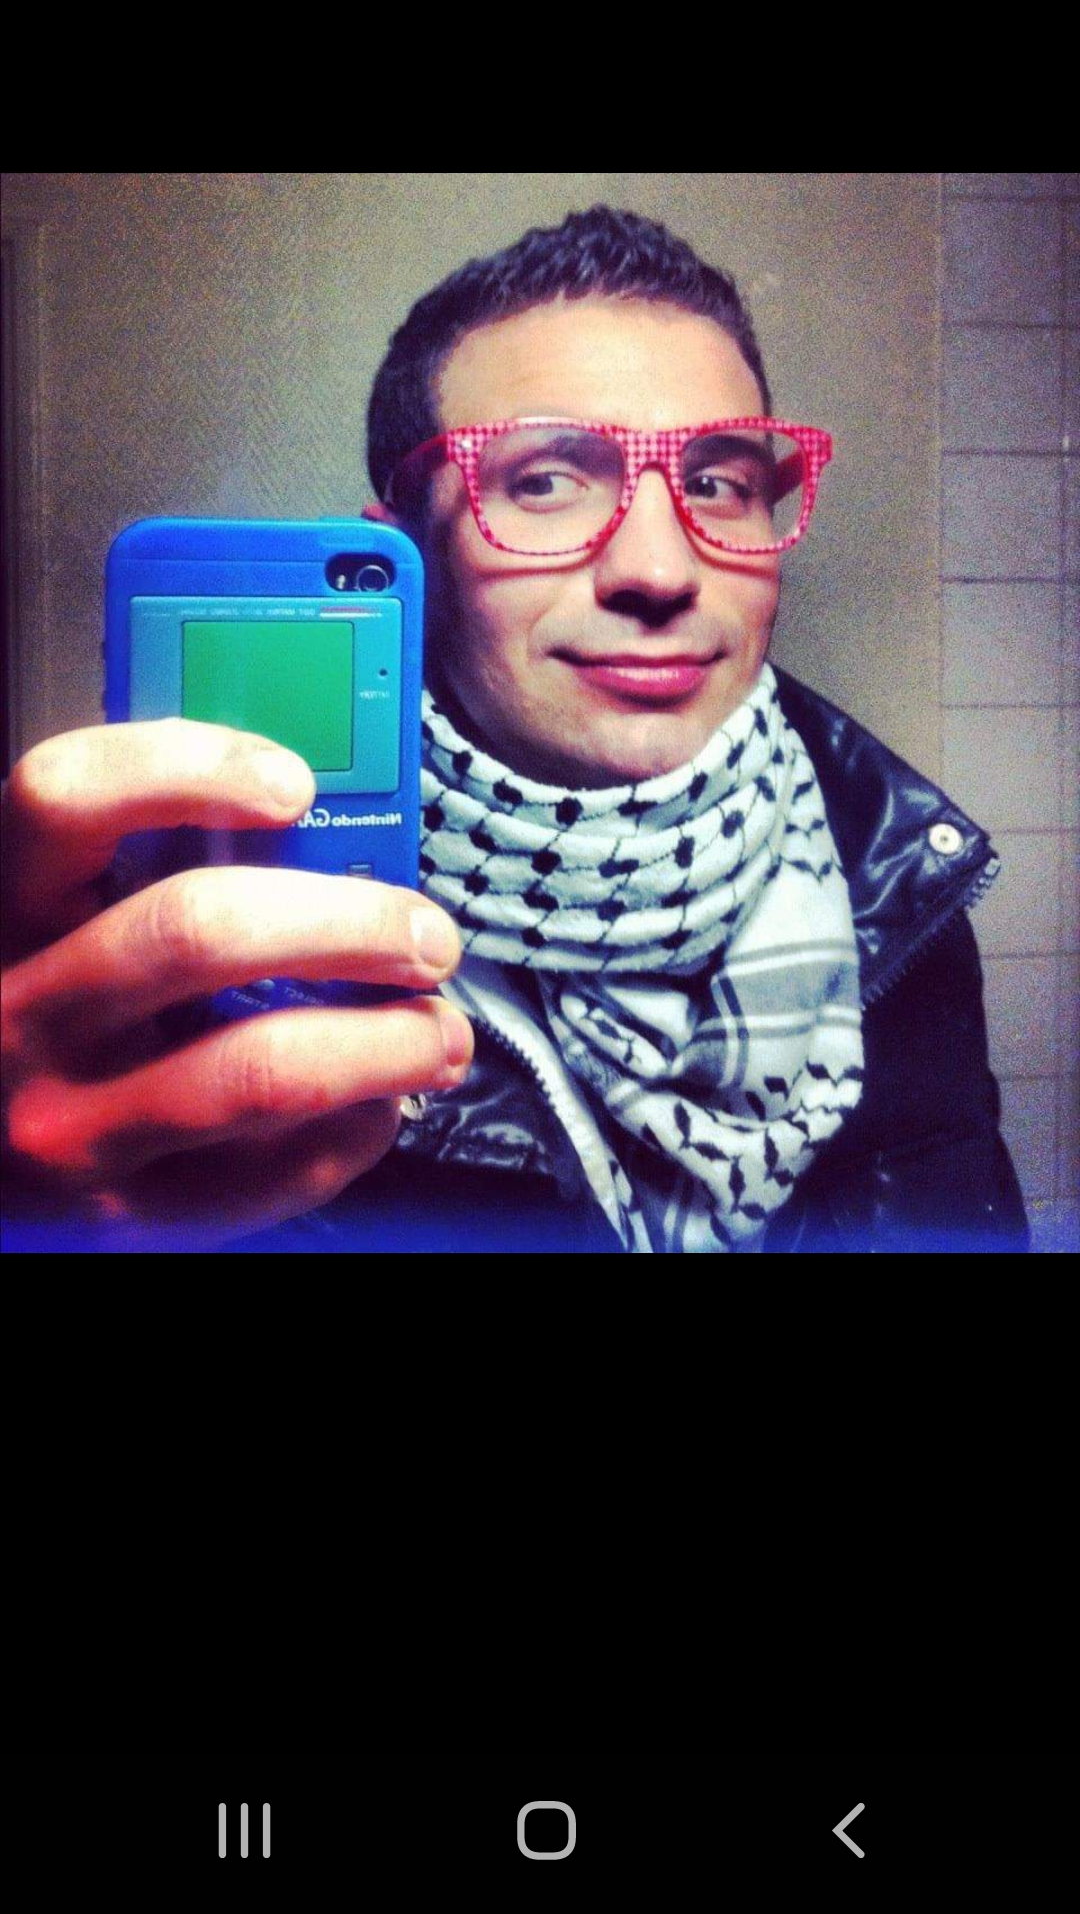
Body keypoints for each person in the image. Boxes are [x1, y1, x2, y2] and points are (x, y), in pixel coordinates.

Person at [1, 205, 1030, 1253]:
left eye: (717, 483)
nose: (659, 570)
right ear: (409, 556)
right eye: (543, 482)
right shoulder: (218, 943)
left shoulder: (897, 893)